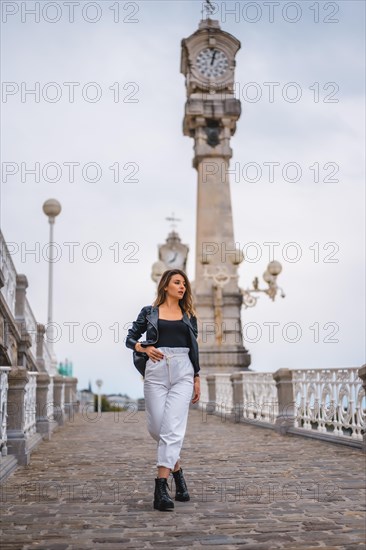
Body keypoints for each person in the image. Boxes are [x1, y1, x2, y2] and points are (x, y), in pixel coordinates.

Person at [126, 269, 201, 511]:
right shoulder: (149, 312)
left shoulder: (189, 315)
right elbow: (130, 339)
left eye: (184, 284)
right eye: (177, 282)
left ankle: (161, 487)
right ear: (166, 285)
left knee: (173, 429)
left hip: (183, 371)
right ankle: (178, 474)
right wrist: (144, 348)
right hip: (156, 369)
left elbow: (194, 348)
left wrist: (197, 377)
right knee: (157, 427)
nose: (182, 287)